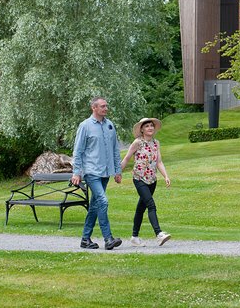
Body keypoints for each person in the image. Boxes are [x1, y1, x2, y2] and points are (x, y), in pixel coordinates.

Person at [72, 96, 123, 250]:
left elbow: (115, 149)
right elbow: (78, 151)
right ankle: (108, 239)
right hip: (91, 172)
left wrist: (117, 170)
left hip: (105, 172)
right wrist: (76, 172)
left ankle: (85, 239)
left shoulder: (110, 126)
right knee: (103, 201)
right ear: (93, 108)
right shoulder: (85, 126)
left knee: (95, 206)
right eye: (102, 106)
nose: (106, 108)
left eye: (106, 106)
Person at [120, 117, 172, 247]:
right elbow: (127, 158)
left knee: (141, 208)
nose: (150, 128)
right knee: (151, 205)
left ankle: (134, 237)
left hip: (152, 180)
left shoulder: (156, 143)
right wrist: (118, 173)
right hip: (139, 179)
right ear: (142, 129)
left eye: (152, 126)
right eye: (147, 126)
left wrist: (166, 176)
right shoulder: (137, 143)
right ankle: (159, 234)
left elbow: (159, 162)